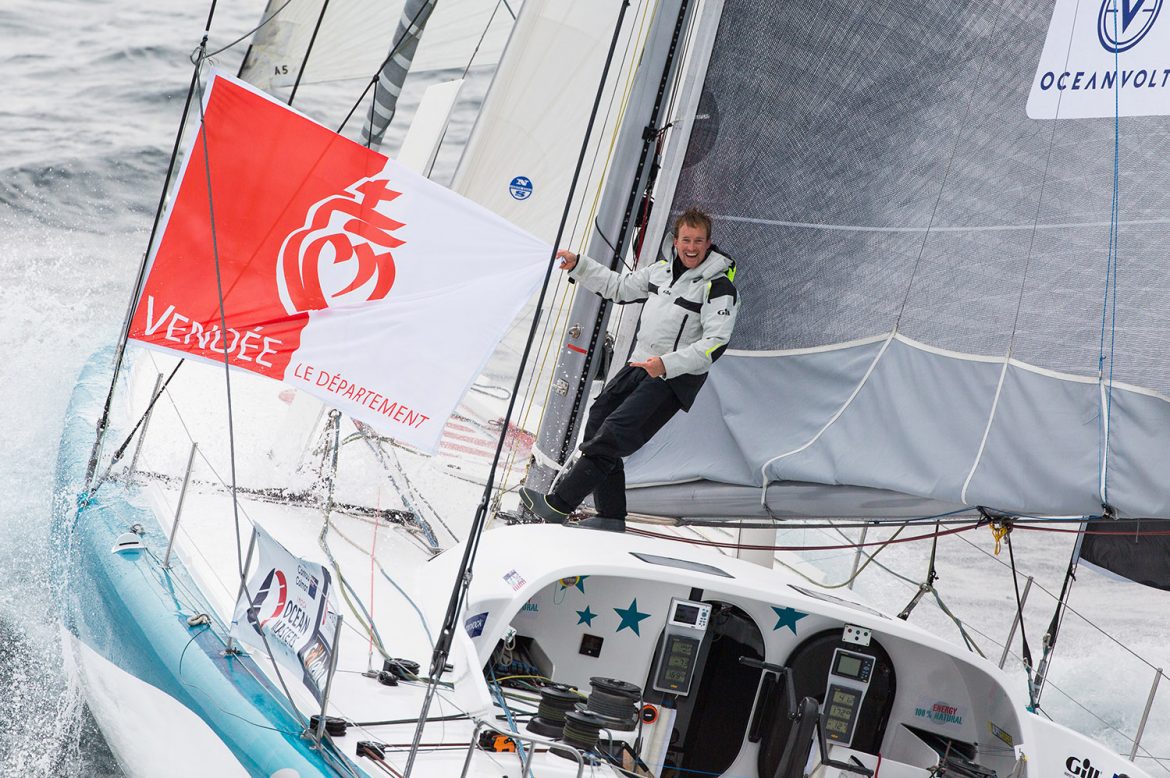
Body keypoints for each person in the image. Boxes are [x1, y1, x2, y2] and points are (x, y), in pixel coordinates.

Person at [520, 208, 739, 532]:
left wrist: (667, 363)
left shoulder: (718, 287)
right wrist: (579, 264)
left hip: (672, 376)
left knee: (612, 437)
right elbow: (619, 287)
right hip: (640, 364)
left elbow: (714, 344)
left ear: (708, 244)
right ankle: (610, 516)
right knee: (598, 423)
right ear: (675, 241)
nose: (691, 248)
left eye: (699, 241)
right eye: (686, 240)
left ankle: (558, 505)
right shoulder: (660, 273)